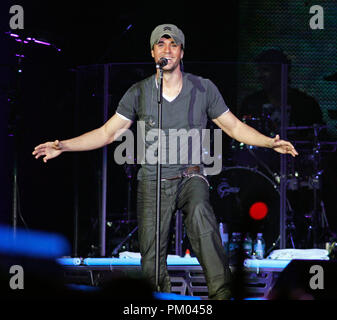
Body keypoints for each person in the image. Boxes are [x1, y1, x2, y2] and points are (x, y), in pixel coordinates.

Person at [32, 24, 298, 300]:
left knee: (200, 215)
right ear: (152, 53)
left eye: (173, 45)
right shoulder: (139, 92)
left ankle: (222, 294)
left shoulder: (203, 88)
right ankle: (161, 299)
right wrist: (63, 145)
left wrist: (269, 142)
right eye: (161, 45)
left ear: (182, 52)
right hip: (153, 178)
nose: (167, 50)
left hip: (191, 175)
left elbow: (232, 127)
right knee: (152, 254)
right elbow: (108, 133)